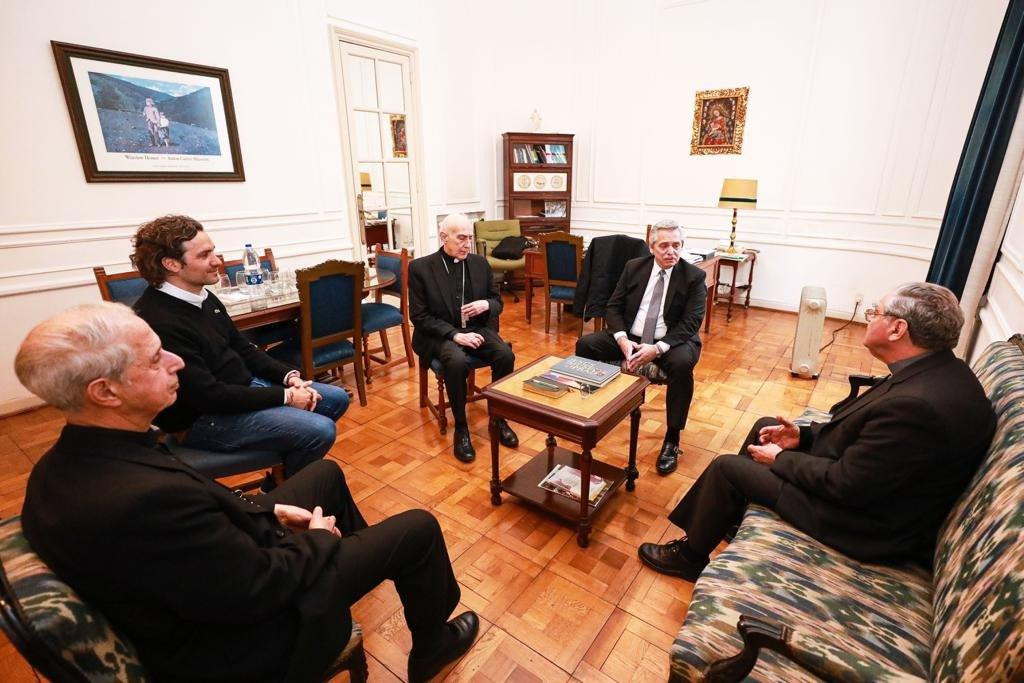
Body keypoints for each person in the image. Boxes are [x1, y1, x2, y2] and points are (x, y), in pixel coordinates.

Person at [15, 302, 479, 682]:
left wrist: (268, 513)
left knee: (327, 475)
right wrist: (318, 539)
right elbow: (255, 588)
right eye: (156, 359)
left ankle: (357, 569)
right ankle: (430, 645)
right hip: (250, 637)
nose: (177, 362)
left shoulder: (74, 459)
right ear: (105, 392)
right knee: (418, 528)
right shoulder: (141, 500)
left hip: (214, 575)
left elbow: (200, 524)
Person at [639, 282, 997, 581]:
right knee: (767, 426)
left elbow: (846, 484)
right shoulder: (937, 371)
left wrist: (780, 458)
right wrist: (804, 437)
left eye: (875, 312)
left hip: (862, 525)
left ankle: (690, 555)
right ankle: (728, 516)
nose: (868, 318)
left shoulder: (919, 406)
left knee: (727, 468)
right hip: (873, 489)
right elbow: (872, 444)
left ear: (897, 329)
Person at [131, 215, 346, 489]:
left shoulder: (203, 295)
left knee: (336, 398)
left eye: (213, 251)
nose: (217, 260)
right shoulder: (159, 321)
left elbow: (242, 347)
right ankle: (284, 492)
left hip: (240, 389)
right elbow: (210, 397)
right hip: (203, 419)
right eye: (205, 255)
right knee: (320, 430)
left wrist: (288, 377)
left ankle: (284, 475)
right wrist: (287, 397)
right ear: (172, 264)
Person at [575, 220, 706, 475]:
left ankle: (672, 439)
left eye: (676, 245)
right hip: (631, 337)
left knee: (681, 366)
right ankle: (592, 411)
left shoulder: (694, 277)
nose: (671, 251)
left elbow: (691, 322)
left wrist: (657, 349)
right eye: (664, 245)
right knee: (586, 345)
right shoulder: (634, 267)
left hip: (671, 341)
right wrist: (622, 339)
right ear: (652, 246)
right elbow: (613, 306)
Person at [408, 213, 518, 462]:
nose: (467, 244)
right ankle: (461, 427)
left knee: (505, 354)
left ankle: (499, 420)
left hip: (476, 329)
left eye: (470, 237)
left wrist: (485, 305)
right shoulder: (420, 268)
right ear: (443, 237)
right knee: (456, 361)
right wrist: (454, 335)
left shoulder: (480, 264)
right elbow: (419, 317)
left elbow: (497, 302)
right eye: (461, 238)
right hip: (437, 334)